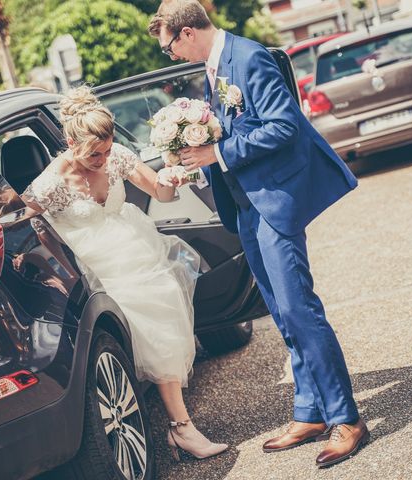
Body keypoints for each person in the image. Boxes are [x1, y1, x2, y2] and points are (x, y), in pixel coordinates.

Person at [149, 0, 368, 468]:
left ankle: (346, 418)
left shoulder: (247, 58)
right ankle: (309, 411)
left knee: (299, 309)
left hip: (273, 201)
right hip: (245, 206)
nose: (171, 56)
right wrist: (192, 166)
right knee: (281, 313)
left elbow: (284, 127)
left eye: (169, 47)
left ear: (187, 33)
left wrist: (217, 154)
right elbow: (228, 130)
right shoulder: (213, 67)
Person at [20, 85, 228, 461]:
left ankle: (182, 428)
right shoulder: (49, 184)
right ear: (69, 141)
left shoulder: (116, 155)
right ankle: (158, 426)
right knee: (127, 333)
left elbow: (161, 195)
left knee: (161, 323)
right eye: (93, 154)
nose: (102, 158)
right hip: (91, 271)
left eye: (107, 147)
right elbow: (21, 227)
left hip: (137, 253)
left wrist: (170, 179)